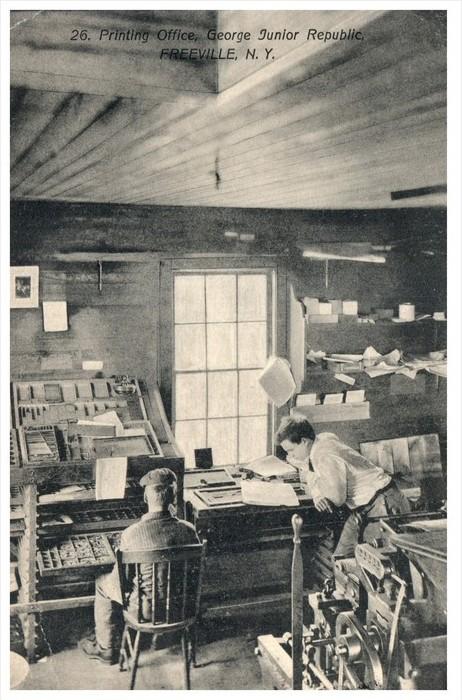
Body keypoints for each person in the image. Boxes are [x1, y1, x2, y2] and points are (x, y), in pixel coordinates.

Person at [80, 468, 199, 664]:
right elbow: (193, 575)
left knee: (102, 584)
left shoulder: (131, 534)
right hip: (182, 608)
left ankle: (107, 648)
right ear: (173, 497)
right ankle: (162, 636)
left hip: (145, 612)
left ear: (145, 497)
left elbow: (120, 583)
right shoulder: (189, 530)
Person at [275, 415, 410, 558]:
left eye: (291, 450)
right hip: (364, 506)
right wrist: (317, 490)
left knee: (376, 563)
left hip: (383, 503)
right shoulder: (323, 438)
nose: (291, 456)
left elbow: (337, 498)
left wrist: (311, 479)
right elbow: (313, 473)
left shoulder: (324, 456)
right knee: (341, 559)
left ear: (304, 441)